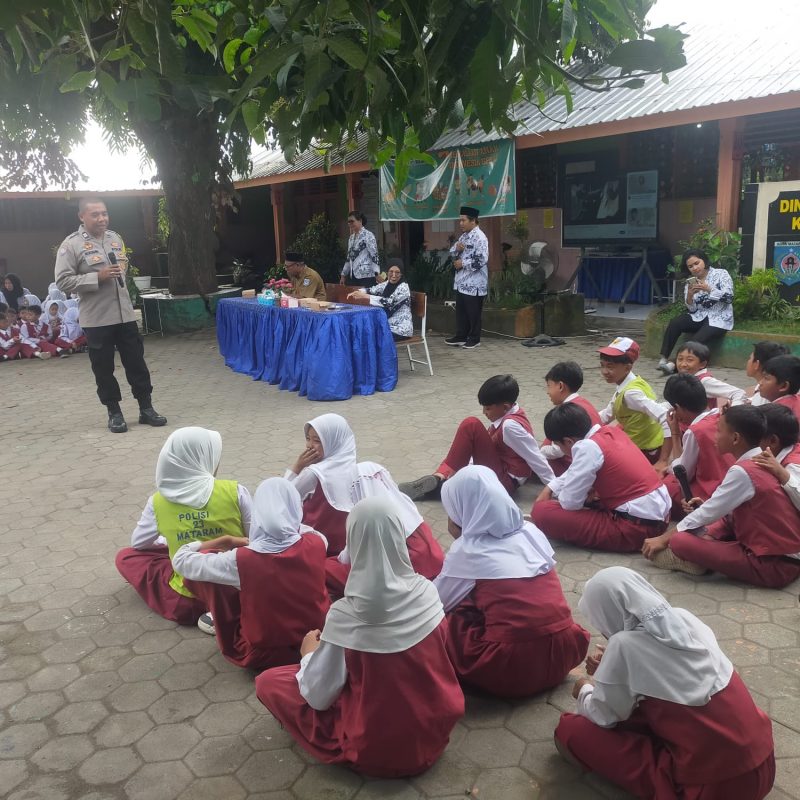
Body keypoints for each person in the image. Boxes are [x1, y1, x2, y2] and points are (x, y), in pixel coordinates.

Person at [254, 497, 464, 777]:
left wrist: (308, 656)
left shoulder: (345, 615)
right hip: (433, 730)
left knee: (269, 682)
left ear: (352, 540)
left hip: (377, 747)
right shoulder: (427, 592)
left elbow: (318, 696)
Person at [555, 567, 775, 800]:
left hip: (716, 789)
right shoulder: (685, 619)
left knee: (571, 729)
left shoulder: (624, 646)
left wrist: (585, 689)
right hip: (763, 763)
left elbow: (602, 716)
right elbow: (673, 677)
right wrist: (614, 671)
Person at [435, 466, 589, 697]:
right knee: (482, 597)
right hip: (564, 651)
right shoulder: (530, 532)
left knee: (446, 620)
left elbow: (436, 602)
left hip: (511, 668)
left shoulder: (468, 551)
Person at [172, 478, 330, 670]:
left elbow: (180, 561)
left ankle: (220, 617)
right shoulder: (318, 541)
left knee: (207, 560)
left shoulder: (239, 559)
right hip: (316, 640)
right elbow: (301, 528)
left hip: (264, 653)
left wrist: (224, 540)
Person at [642, 405, 800, 587]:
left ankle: (697, 557)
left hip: (775, 565)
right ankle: (704, 552)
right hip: (777, 550)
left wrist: (663, 539)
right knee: (704, 523)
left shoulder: (745, 470)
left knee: (679, 540)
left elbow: (709, 512)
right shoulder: (761, 460)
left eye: (718, 431)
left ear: (735, 438)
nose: (715, 436)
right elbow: (723, 508)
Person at [115, 427, 251, 625]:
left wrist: (171, 539)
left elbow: (139, 543)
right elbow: (256, 536)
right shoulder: (236, 491)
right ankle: (220, 611)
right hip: (236, 590)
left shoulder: (158, 501)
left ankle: (207, 607)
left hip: (187, 600)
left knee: (126, 556)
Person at [54, 197, 166, 433]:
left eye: (104, 213)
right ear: (82, 217)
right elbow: (63, 281)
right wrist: (97, 277)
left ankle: (146, 408)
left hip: (124, 315)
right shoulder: (71, 245)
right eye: (95, 214)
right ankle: (114, 412)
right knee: (103, 368)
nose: (102, 218)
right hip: (97, 319)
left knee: (137, 363)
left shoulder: (115, 238)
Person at [531, 403, 670, 552]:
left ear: (569, 441)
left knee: (542, 511)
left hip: (636, 529)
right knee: (587, 494)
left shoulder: (587, 448)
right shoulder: (609, 432)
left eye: (559, 445)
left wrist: (562, 494)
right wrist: (551, 487)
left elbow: (569, 503)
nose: (561, 450)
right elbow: (577, 469)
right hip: (659, 517)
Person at [399, 374, 555, 501]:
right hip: (497, 469)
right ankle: (439, 478)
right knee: (460, 449)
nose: (484, 413)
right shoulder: (508, 413)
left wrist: (555, 488)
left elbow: (535, 457)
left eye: (487, 408)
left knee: (471, 424)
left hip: (505, 482)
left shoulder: (510, 426)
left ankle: (445, 482)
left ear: (505, 407)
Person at [325, 461, 444, 597]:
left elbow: (351, 558)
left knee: (323, 569)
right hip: (432, 569)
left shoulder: (369, 516)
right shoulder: (405, 505)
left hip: (397, 579)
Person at [284, 413, 358, 556]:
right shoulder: (356, 469)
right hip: (348, 548)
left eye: (317, 440)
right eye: (308, 439)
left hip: (315, 547)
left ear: (332, 441)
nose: (309, 446)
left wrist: (296, 468)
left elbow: (284, 496)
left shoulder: (315, 474)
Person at [661, 374, 734, 517]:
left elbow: (683, 474)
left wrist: (675, 433)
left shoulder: (696, 431)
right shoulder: (721, 415)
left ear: (677, 407)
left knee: (666, 486)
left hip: (711, 494)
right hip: (729, 482)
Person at [597, 337, 671, 470]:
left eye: (610, 366)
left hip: (644, 451)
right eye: (602, 365)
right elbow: (608, 414)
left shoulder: (631, 394)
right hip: (641, 444)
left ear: (627, 367)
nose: (604, 372)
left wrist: (663, 460)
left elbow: (665, 417)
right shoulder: (632, 382)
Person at [657, 249, 734, 375]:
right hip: (700, 315)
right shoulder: (691, 281)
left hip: (719, 318)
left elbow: (729, 297)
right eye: (690, 266)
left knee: (696, 340)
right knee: (676, 322)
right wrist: (690, 296)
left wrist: (709, 289)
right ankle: (663, 358)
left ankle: (672, 364)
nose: (695, 268)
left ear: (704, 260)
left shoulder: (721, 274)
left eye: (697, 263)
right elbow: (692, 309)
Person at [540, 361, 603, 475]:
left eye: (549, 386)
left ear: (560, 386)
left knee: (536, 459)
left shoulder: (568, 412)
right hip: (594, 455)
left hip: (580, 463)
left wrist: (540, 452)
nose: (547, 392)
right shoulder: (583, 402)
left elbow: (557, 451)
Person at [445, 206, 489, 350]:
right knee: (461, 312)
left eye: (463, 220)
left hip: (475, 283)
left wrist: (462, 263)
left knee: (473, 313)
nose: (461, 223)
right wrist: (456, 249)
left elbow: (482, 259)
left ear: (473, 221)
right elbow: (452, 252)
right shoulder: (464, 236)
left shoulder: (480, 237)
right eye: (460, 220)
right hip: (461, 282)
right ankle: (461, 336)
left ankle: (474, 338)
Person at [347, 259, 413, 339]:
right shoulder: (387, 283)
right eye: (391, 271)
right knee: (363, 331)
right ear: (387, 272)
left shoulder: (403, 287)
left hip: (400, 329)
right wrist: (358, 292)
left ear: (401, 274)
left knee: (371, 336)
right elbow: (372, 289)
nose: (394, 275)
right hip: (387, 325)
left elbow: (389, 302)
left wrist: (366, 296)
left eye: (397, 272)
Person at [673, 341, 746, 407]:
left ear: (702, 364)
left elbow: (739, 393)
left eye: (689, 360)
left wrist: (733, 414)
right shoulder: (683, 378)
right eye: (680, 359)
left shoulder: (704, 381)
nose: (683, 364)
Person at [340, 211, 379, 288]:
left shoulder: (369, 235)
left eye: (352, 221)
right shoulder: (351, 238)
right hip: (353, 275)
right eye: (348, 222)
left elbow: (374, 255)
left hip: (367, 276)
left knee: (364, 298)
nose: (350, 224)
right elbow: (349, 257)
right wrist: (343, 275)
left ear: (360, 221)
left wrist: (377, 273)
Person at [745, 341, 789, 405]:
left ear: (757, 364)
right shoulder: (761, 390)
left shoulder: (767, 395)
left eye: (750, 358)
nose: (748, 361)